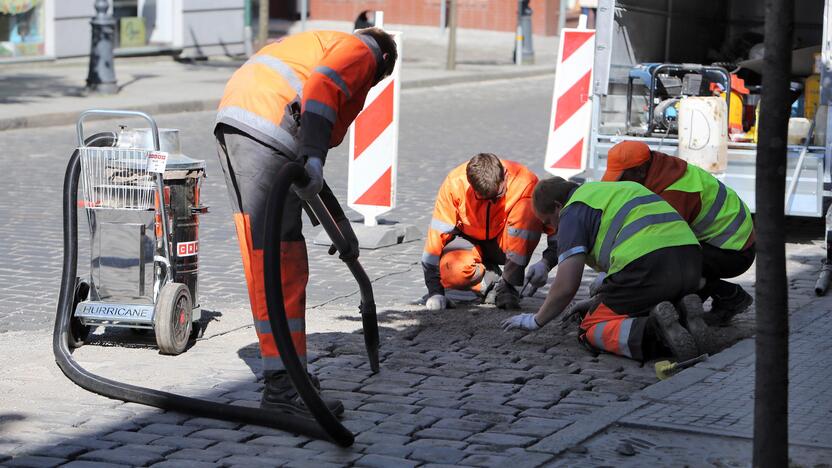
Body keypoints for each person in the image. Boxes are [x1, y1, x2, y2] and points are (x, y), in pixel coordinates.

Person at [214, 28, 397, 415]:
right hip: (268, 124)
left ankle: (284, 376)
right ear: (382, 66)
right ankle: (284, 387)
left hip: (241, 119)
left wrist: (340, 229)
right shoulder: (364, 50)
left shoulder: (317, 45)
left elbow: (303, 175)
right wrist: (314, 154)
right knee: (281, 262)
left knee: (262, 253)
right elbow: (323, 90)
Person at [502, 177, 709, 362]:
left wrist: (536, 321)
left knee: (590, 327)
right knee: (645, 304)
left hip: (646, 268)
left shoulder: (572, 212)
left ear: (558, 207)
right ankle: (683, 315)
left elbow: (566, 286)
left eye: (549, 222)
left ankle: (657, 334)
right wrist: (595, 301)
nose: (555, 229)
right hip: (692, 264)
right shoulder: (612, 191)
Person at [602, 141, 755, 325]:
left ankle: (720, 301)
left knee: (670, 262)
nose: (618, 186)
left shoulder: (674, 192)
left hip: (735, 251)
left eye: (621, 179)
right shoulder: (661, 171)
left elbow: (662, 246)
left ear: (640, 171)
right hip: (723, 244)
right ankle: (729, 296)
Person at [421, 153, 557, 310]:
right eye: (483, 199)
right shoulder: (455, 184)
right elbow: (434, 242)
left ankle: (508, 284)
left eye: (497, 196)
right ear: (471, 187)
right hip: (469, 242)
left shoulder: (525, 182)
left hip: (505, 244)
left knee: (527, 212)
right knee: (452, 269)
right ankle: (493, 282)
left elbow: (557, 229)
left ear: (505, 176)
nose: (491, 202)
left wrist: (546, 263)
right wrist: (435, 292)